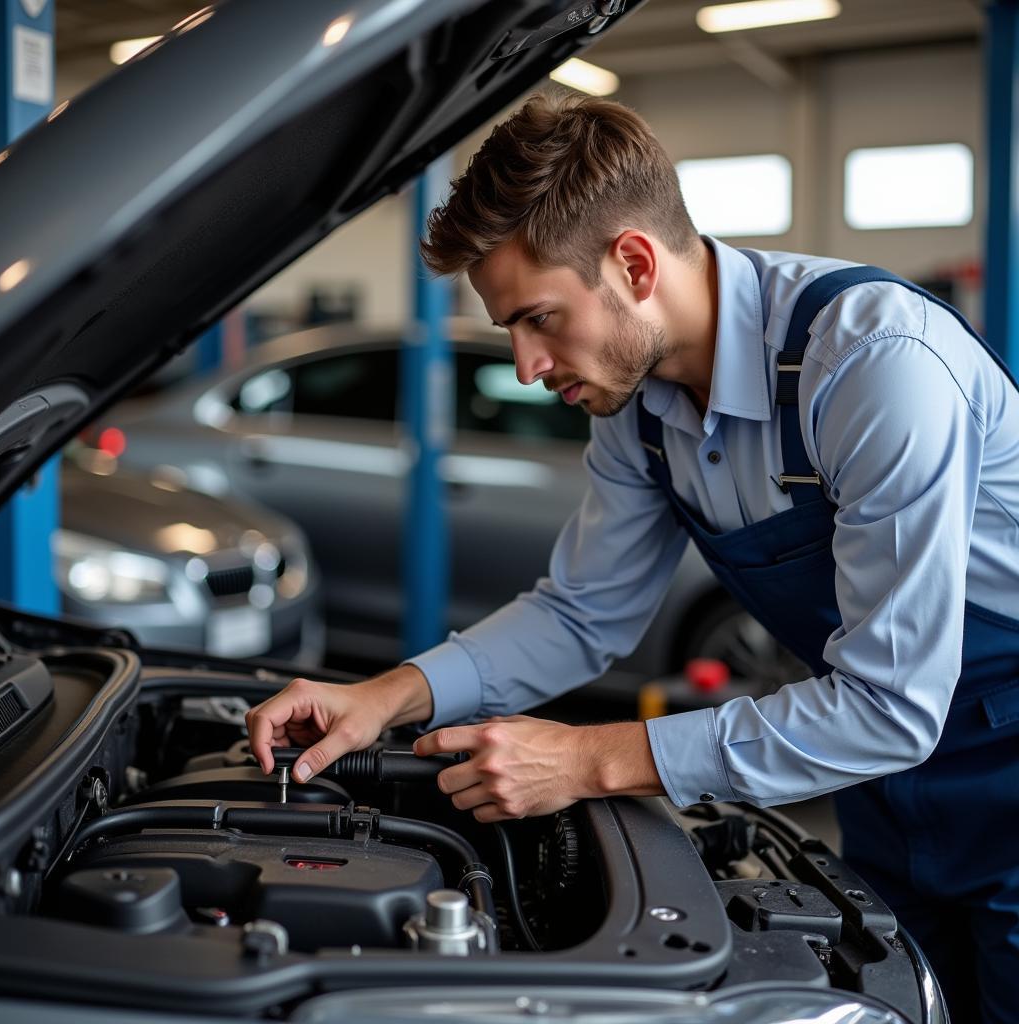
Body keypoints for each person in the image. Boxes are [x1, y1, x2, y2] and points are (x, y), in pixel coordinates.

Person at [246, 93, 1019, 1020]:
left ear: (635, 263)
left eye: (539, 318)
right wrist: (383, 697)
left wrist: (590, 758)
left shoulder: (871, 367)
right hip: (881, 788)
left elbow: (893, 702)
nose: (528, 365)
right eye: (510, 333)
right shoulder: (639, 408)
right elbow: (582, 614)